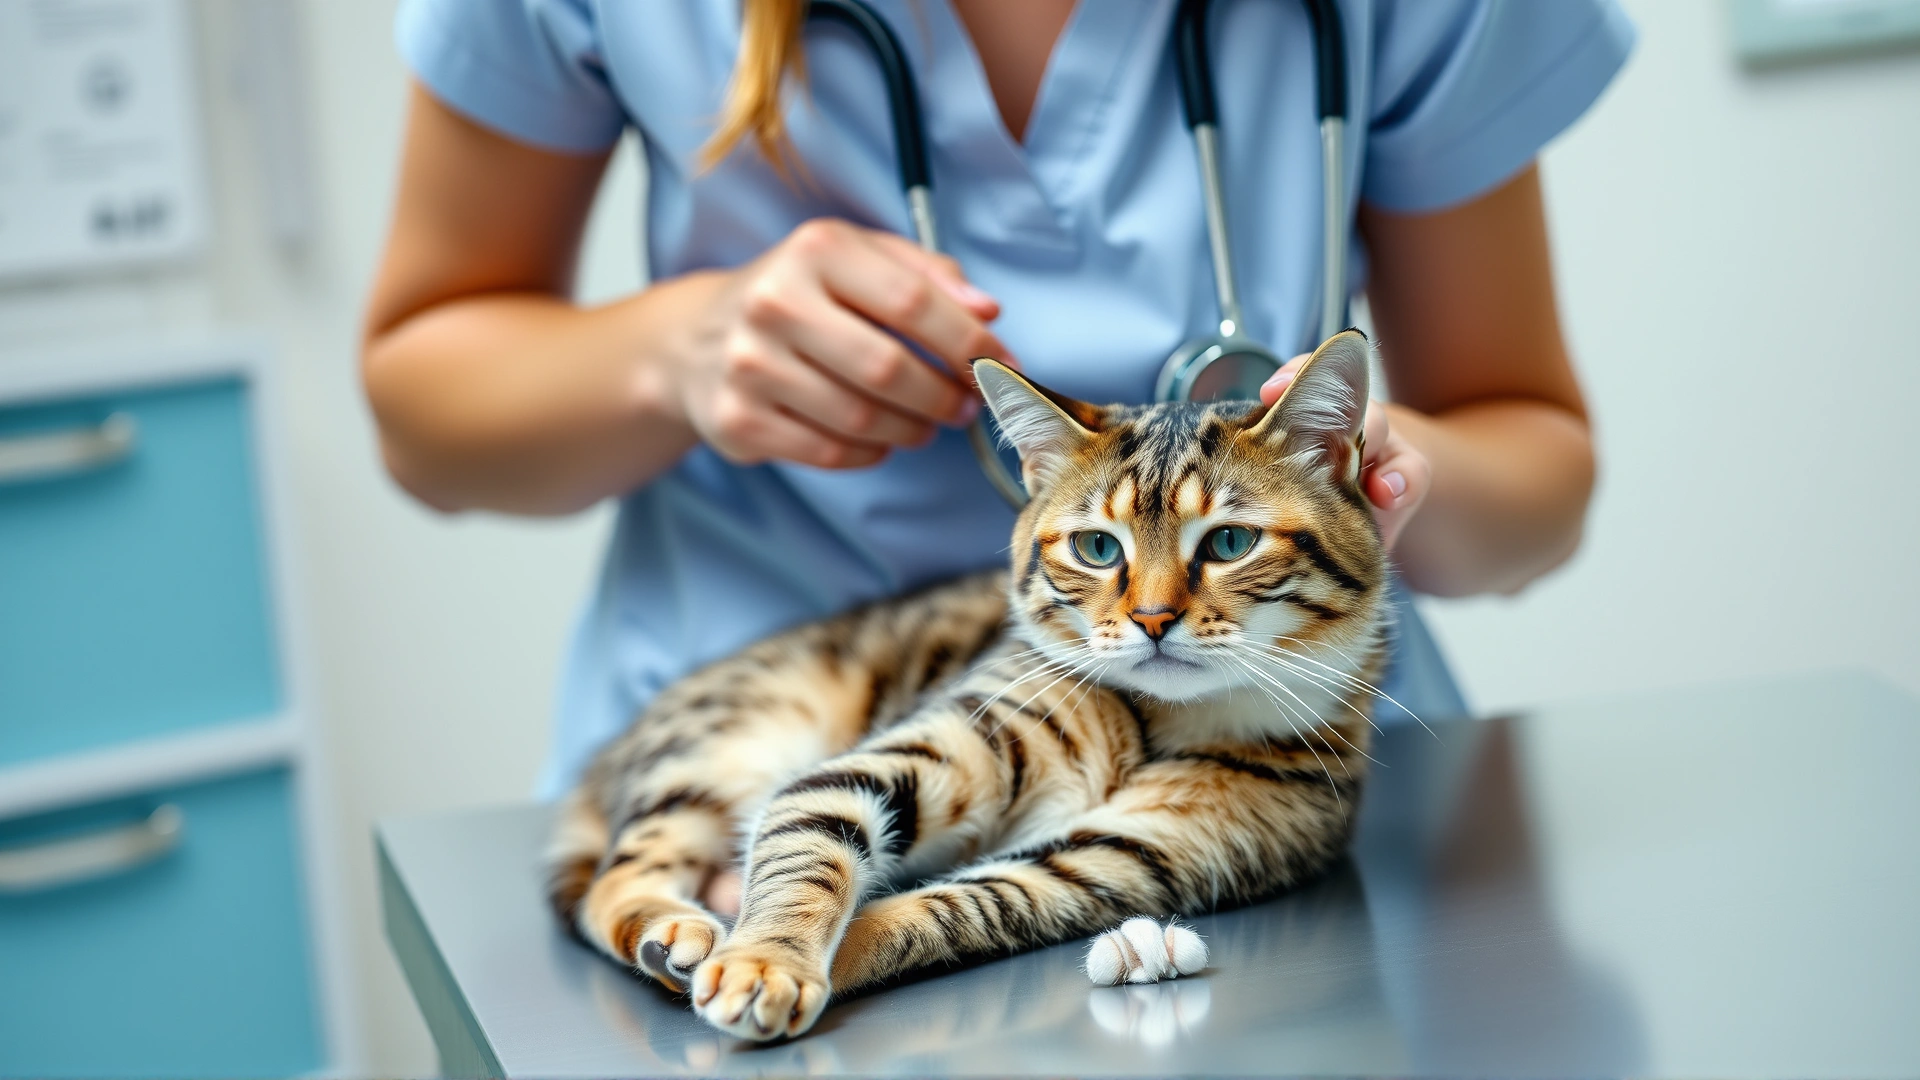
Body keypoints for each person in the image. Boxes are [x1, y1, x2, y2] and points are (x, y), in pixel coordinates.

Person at [362, 0, 1633, 797]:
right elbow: (424, 412)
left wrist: (1374, 478)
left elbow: (1538, 471)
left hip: (1268, 767)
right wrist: (678, 352)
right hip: (775, 775)